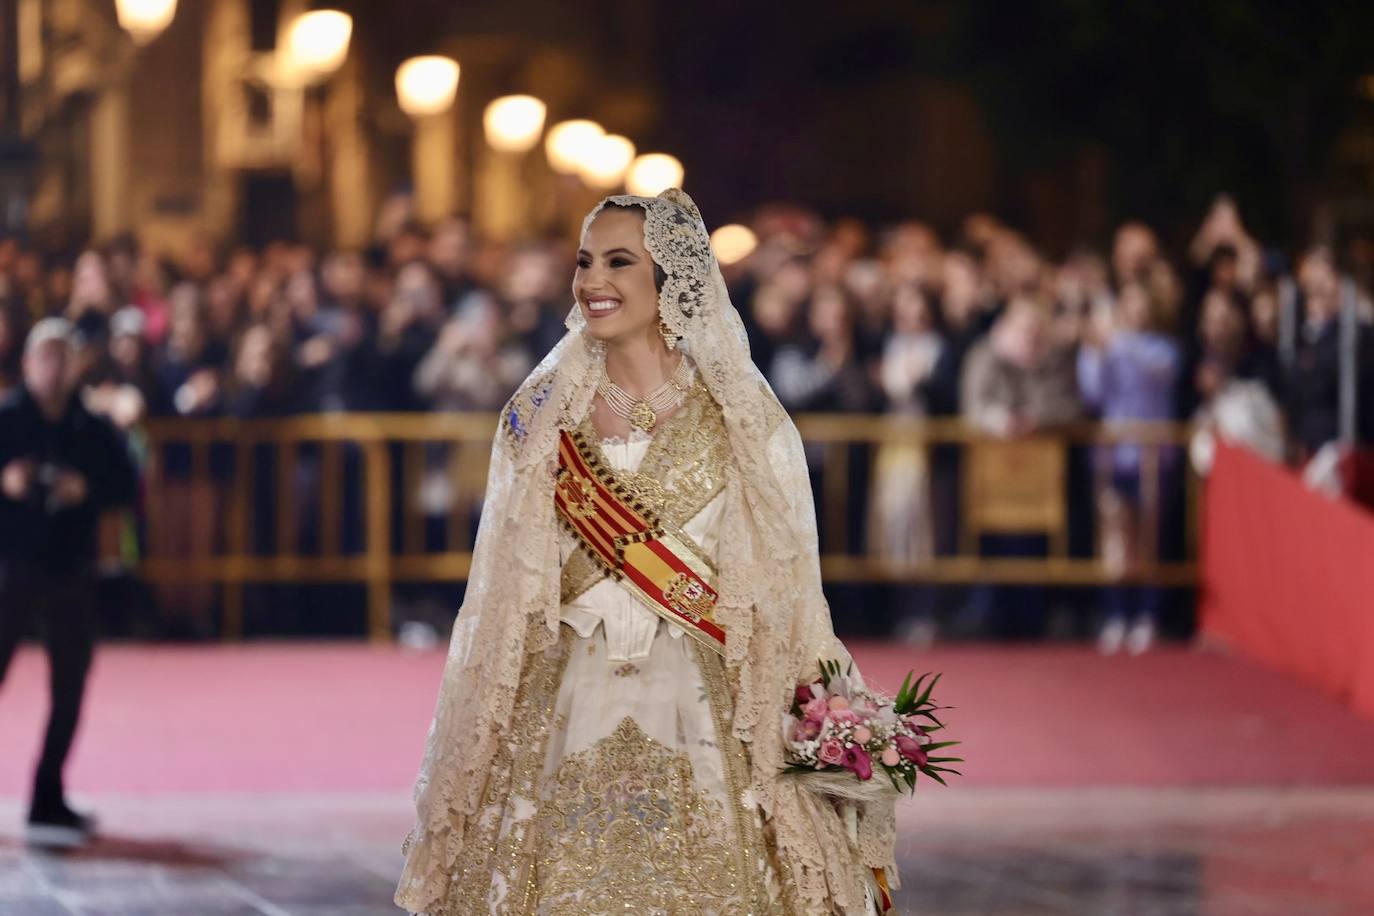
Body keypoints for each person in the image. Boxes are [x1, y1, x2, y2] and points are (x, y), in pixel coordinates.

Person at [396, 190, 896, 915]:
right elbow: (508, 582)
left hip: (702, 694)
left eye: (619, 262)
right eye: (585, 261)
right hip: (566, 693)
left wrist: (818, 705)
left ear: (671, 278)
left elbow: (778, 582)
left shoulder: (737, 414)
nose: (593, 281)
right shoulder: (542, 415)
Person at [0, 318, 138, 846]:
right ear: (29, 363)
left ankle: (48, 795)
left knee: (70, 687)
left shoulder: (91, 426)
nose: (55, 370)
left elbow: (127, 484)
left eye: (64, 358)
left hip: (70, 566)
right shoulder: (8, 418)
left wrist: (88, 489)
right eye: (46, 358)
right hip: (11, 563)